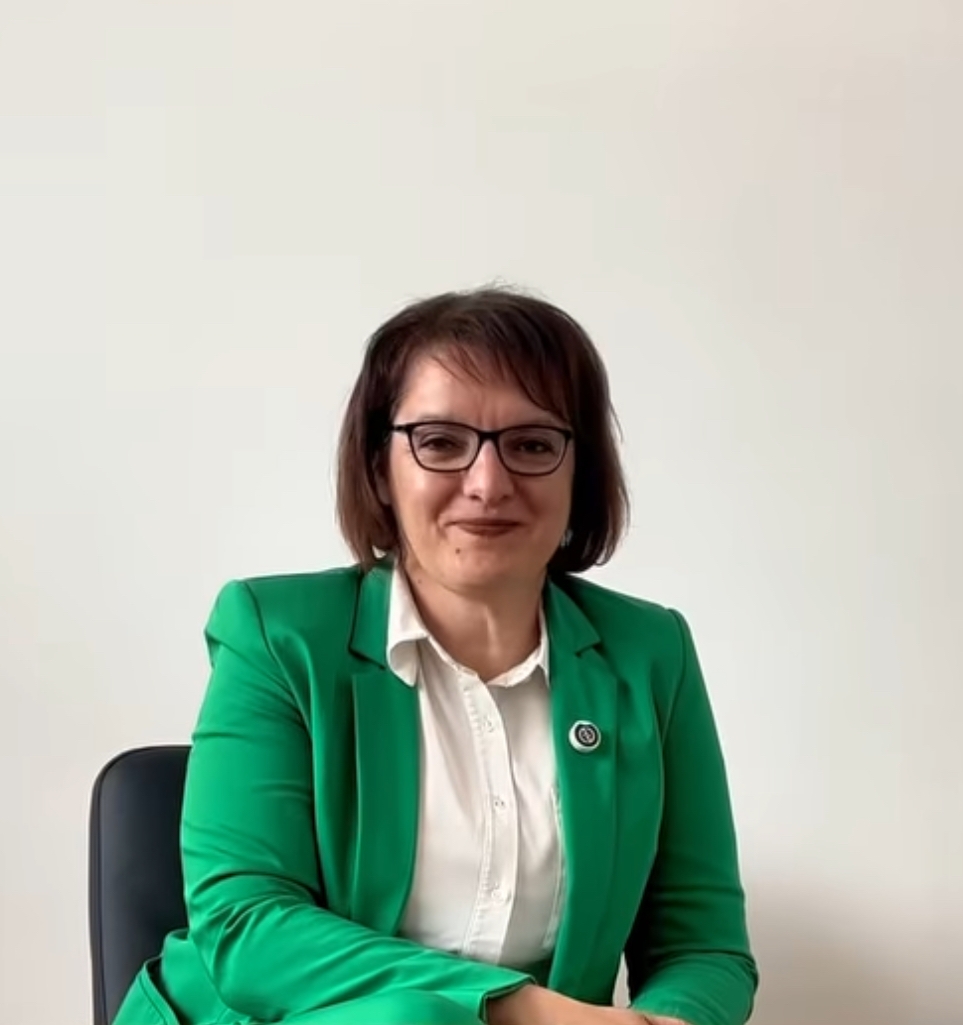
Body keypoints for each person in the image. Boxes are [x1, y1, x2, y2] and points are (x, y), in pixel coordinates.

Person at [113, 287, 758, 1025]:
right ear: (379, 468)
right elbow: (247, 928)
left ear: (579, 472)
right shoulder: (275, 633)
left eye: (532, 444)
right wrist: (528, 1013)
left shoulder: (650, 655)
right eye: (442, 442)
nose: (488, 483)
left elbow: (702, 947)